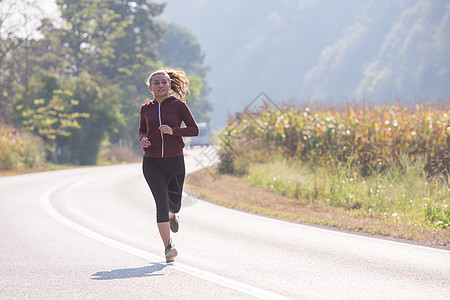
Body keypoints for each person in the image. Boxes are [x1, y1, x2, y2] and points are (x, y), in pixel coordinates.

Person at [138, 69, 199, 263]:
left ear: (169, 85)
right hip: (152, 162)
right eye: (156, 83)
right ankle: (168, 247)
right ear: (150, 87)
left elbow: (194, 130)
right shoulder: (145, 109)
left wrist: (173, 131)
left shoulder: (178, 106)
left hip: (175, 161)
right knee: (161, 203)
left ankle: (173, 214)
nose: (160, 85)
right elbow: (141, 130)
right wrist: (143, 139)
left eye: (164, 82)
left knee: (174, 204)